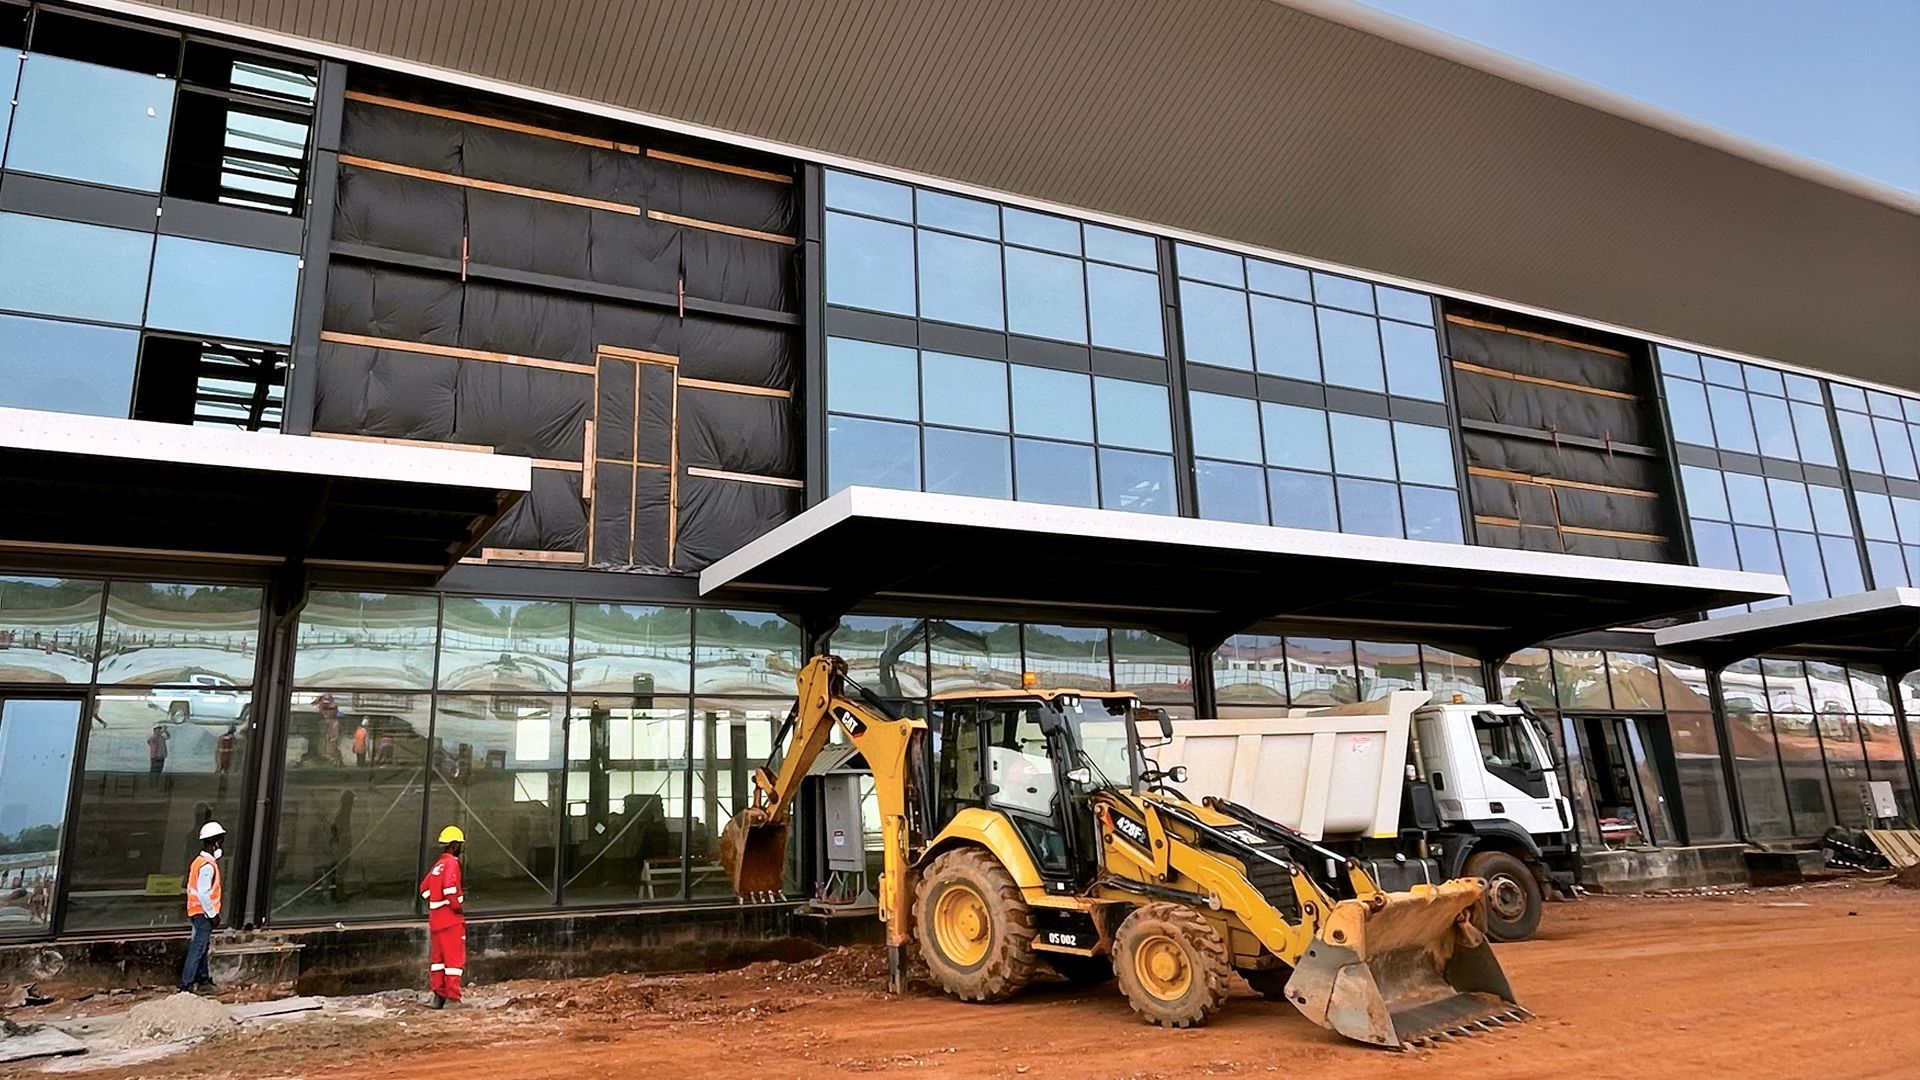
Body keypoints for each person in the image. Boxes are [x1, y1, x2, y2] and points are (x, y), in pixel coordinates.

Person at [419, 825, 467, 1007]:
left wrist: (435, 903)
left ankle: (438, 996)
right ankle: (453, 998)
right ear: (454, 845)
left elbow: (424, 888)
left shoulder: (438, 865)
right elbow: (450, 888)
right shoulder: (452, 864)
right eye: (460, 845)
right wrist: (456, 907)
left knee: (438, 960)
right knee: (454, 960)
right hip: (451, 921)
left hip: (437, 921)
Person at [180, 821, 225, 994]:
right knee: (198, 948)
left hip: (197, 911)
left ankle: (202, 979)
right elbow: (204, 892)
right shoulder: (207, 865)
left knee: (202, 946)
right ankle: (187, 984)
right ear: (216, 842)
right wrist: (213, 914)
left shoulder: (198, 861)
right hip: (203, 913)